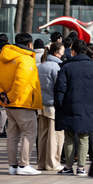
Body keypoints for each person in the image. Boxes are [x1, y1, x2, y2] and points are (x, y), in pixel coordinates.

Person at [0, 33, 43, 176]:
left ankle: (12, 165)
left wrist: (3, 95)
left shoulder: (2, 58)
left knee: (12, 136)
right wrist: (10, 97)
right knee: (29, 133)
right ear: (29, 44)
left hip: (8, 104)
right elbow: (21, 81)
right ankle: (24, 164)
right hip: (23, 102)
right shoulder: (26, 59)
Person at [55, 39, 93, 176]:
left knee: (69, 136)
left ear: (73, 51)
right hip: (89, 105)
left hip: (69, 105)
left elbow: (60, 88)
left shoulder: (66, 67)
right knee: (84, 137)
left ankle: (69, 166)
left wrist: (58, 104)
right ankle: (81, 167)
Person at [37, 42, 65, 171]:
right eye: (62, 51)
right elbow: (59, 87)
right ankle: (53, 162)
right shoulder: (57, 67)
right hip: (53, 105)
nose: (63, 54)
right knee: (55, 136)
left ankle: (42, 162)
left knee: (43, 134)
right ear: (56, 53)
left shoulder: (41, 66)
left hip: (41, 103)